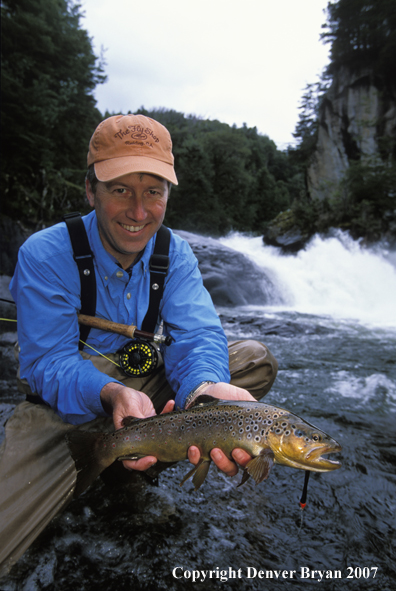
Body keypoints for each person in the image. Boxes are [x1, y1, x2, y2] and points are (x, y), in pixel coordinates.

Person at [0, 114, 278, 573]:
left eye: (154, 191)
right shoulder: (44, 253)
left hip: (148, 396)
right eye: (120, 189)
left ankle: (141, 463)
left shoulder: (177, 253)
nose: (139, 210)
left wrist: (204, 391)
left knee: (252, 361)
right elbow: (46, 362)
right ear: (90, 191)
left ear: (168, 194)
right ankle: (108, 459)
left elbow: (199, 334)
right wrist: (109, 392)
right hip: (62, 403)